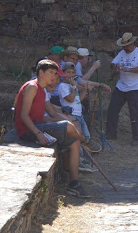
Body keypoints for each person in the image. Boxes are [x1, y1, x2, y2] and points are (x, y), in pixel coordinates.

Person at [14, 59, 91, 198]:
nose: (54, 76)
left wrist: (69, 121)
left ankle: (73, 184)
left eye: (55, 73)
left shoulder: (42, 90)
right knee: (69, 127)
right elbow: (24, 115)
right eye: (51, 72)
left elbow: (52, 113)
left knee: (74, 142)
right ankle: (85, 140)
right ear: (41, 72)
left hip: (40, 125)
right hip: (29, 130)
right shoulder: (32, 87)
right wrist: (38, 134)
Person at [105, 32, 138, 145]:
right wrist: (115, 67)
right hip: (121, 86)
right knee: (112, 110)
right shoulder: (121, 53)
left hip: (135, 87)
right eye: (123, 46)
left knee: (134, 113)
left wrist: (126, 69)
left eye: (127, 45)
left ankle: (136, 138)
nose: (125, 48)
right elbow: (112, 63)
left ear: (132, 43)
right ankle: (111, 134)